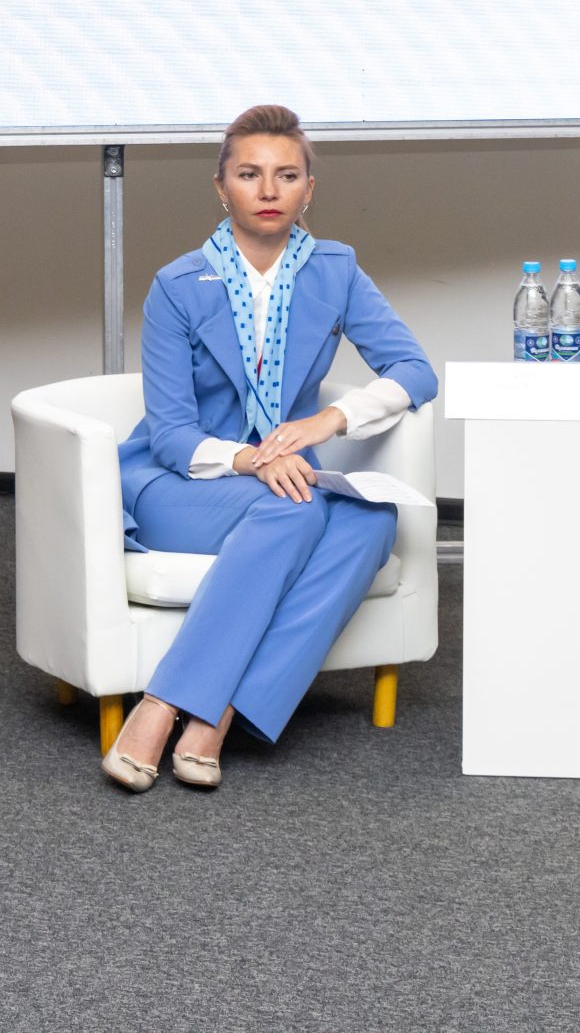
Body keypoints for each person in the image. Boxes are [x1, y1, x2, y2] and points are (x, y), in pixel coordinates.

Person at [102, 106, 437, 791]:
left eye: (286, 175)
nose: (268, 190)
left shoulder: (336, 271)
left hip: (284, 484)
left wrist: (328, 421)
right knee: (297, 507)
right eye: (249, 174)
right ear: (221, 187)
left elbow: (415, 371)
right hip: (181, 484)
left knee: (373, 521)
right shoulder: (177, 285)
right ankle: (164, 706)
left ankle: (219, 711)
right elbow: (171, 433)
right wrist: (252, 458)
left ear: (309, 189)